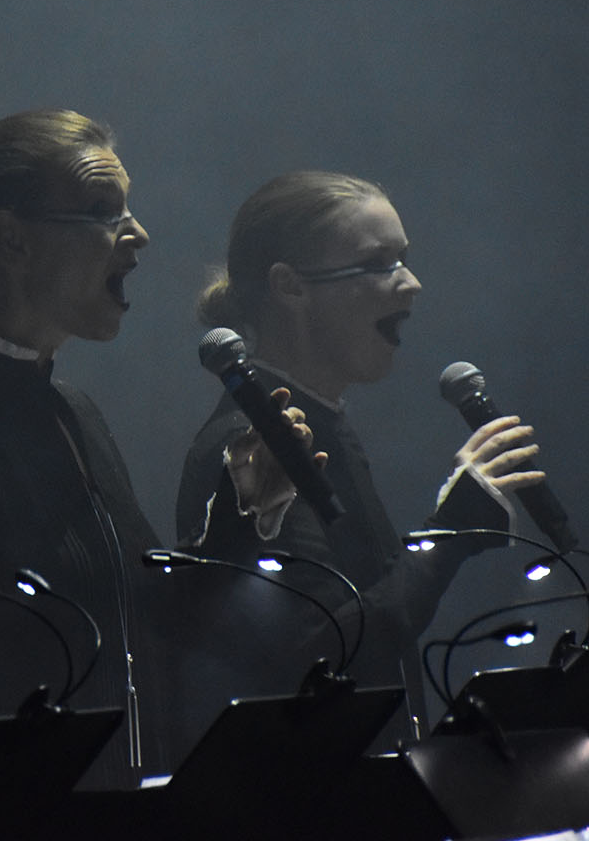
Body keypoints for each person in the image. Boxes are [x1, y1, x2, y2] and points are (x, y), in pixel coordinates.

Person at [0, 109, 309, 793]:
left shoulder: (74, 411)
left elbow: (150, 630)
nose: (139, 233)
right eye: (102, 210)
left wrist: (243, 514)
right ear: (11, 239)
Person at [174, 169, 550, 750]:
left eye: (404, 260)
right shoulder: (254, 444)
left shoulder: (326, 425)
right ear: (290, 286)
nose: (412, 284)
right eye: (379, 265)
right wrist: (451, 532)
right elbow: (328, 653)